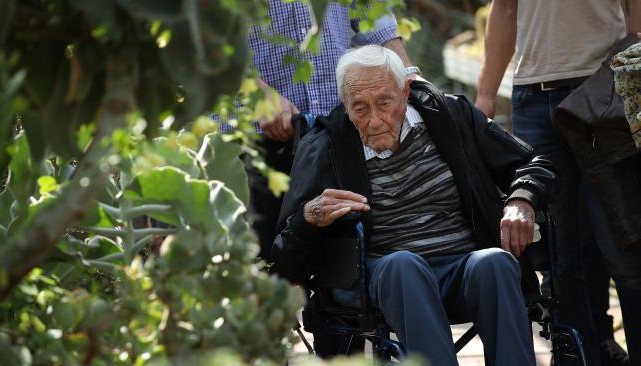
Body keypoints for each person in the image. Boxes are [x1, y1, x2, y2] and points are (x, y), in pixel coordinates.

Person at [271, 45, 558, 366]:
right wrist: (309, 218)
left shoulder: (450, 116)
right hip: (386, 281)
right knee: (404, 266)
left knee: (495, 262)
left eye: (384, 102)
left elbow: (532, 162)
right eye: (360, 108)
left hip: (461, 271)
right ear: (346, 107)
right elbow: (284, 259)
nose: (375, 120)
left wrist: (522, 198)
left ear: (405, 91)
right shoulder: (324, 148)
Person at [236, 1, 422, 357]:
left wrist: (408, 71)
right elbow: (204, 32)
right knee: (264, 275)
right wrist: (255, 92)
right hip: (254, 133)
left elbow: (373, 17)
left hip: (333, 126)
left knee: (341, 266)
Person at [476, 1, 641, 365]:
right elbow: (503, 10)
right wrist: (486, 95)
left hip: (604, 88)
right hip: (532, 97)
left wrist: (631, 63)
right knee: (561, 254)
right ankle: (578, 356)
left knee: (623, 244)